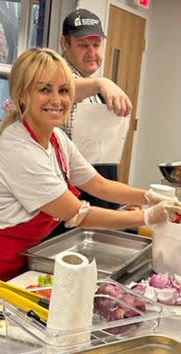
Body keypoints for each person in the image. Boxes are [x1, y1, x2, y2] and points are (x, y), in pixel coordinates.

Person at [0, 48, 181, 302]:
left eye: (63, 91)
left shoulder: (56, 140)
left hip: (3, 273)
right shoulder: (19, 149)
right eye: (44, 90)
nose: (57, 100)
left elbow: (98, 184)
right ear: (22, 95)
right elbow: (78, 214)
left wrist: (149, 196)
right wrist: (148, 217)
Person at [60, 8, 132, 210]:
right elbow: (63, 88)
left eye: (96, 45)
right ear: (65, 44)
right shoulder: (55, 73)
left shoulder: (94, 87)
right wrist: (101, 82)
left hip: (97, 189)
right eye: (83, 45)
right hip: (69, 197)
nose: (92, 52)